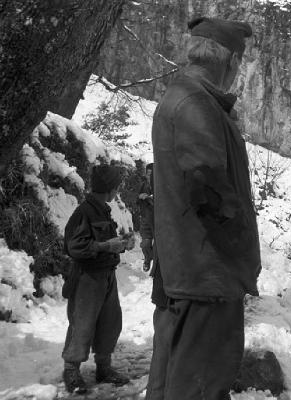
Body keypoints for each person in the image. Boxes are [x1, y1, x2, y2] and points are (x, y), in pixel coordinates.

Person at [146, 16, 261, 400]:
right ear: (229, 61)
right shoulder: (197, 105)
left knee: (174, 383)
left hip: (189, 269)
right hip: (206, 275)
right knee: (200, 386)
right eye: (240, 62)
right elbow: (209, 192)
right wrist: (243, 254)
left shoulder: (184, 97)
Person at [61, 165, 134, 394]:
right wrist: (106, 245)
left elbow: (103, 242)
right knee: (82, 325)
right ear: (110, 188)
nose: (117, 191)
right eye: (116, 187)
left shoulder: (103, 210)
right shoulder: (84, 212)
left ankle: (104, 368)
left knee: (109, 324)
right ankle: (71, 372)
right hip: (87, 279)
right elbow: (74, 247)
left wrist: (121, 243)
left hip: (107, 276)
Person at [138, 163, 154, 272]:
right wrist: (140, 197)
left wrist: (150, 198)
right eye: (148, 174)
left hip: (158, 221)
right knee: (145, 243)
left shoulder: (161, 187)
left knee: (160, 246)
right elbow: (137, 200)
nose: (149, 177)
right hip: (145, 219)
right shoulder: (143, 185)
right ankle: (147, 259)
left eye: (151, 175)